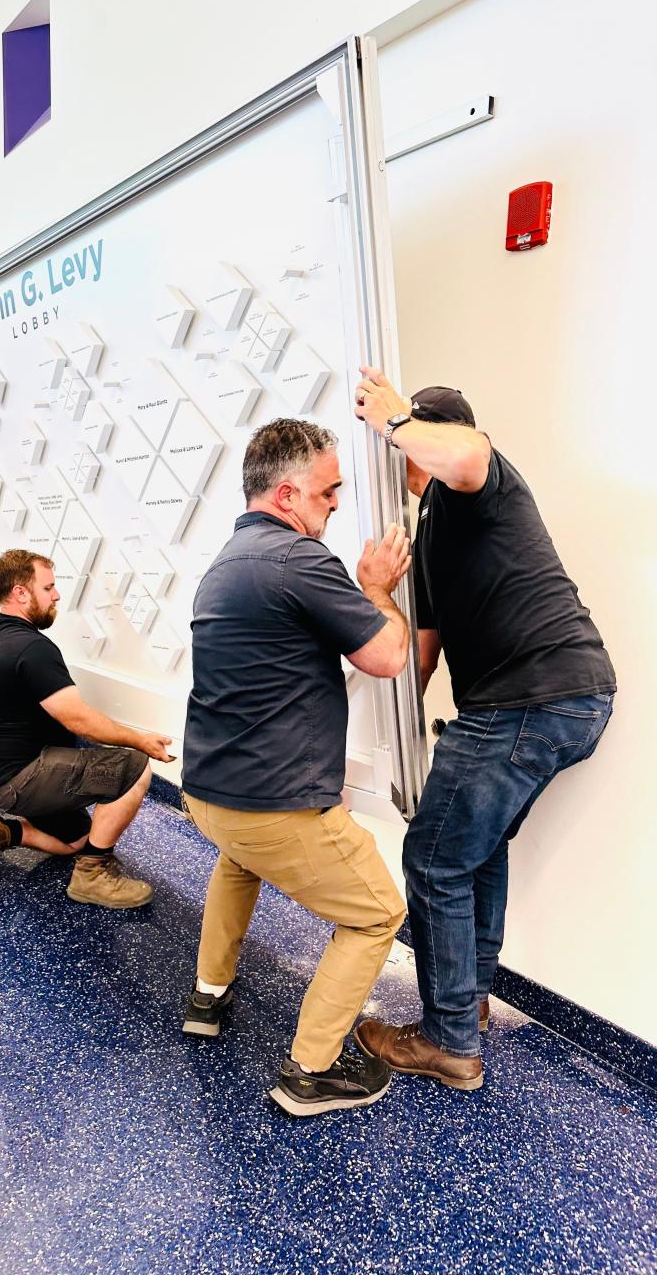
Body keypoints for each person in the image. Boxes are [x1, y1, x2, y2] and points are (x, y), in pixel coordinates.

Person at [352, 368, 616, 1091]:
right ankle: (467, 1008)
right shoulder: (432, 529)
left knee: (434, 859)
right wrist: (376, 594)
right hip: (555, 699)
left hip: (532, 699)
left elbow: (466, 453)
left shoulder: (475, 480)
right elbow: (418, 657)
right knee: (475, 849)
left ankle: (448, 1042)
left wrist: (394, 416)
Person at [180, 417, 413, 1118]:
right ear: (287, 494)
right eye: (329, 491)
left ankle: (208, 994)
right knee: (377, 914)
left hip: (210, 798)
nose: (335, 504)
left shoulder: (226, 562)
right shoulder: (300, 561)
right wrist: (377, 587)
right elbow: (387, 656)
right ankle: (309, 1072)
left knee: (237, 861)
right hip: (270, 807)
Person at [0, 548, 175, 907]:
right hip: (24, 776)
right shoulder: (32, 647)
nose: (57, 595)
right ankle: (92, 876)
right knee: (134, 770)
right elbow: (79, 720)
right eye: (49, 587)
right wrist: (141, 740)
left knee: (78, 839)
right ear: (21, 592)